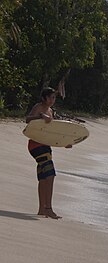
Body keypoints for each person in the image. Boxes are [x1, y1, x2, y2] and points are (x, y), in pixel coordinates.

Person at [26, 87, 71, 219]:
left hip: (45, 145)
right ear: (44, 98)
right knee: (50, 175)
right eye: (50, 97)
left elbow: (53, 132)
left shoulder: (51, 111)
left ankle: (41, 209)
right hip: (36, 145)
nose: (52, 100)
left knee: (43, 177)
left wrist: (64, 143)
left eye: (54, 98)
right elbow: (28, 120)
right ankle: (48, 208)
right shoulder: (39, 107)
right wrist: (40, 116)